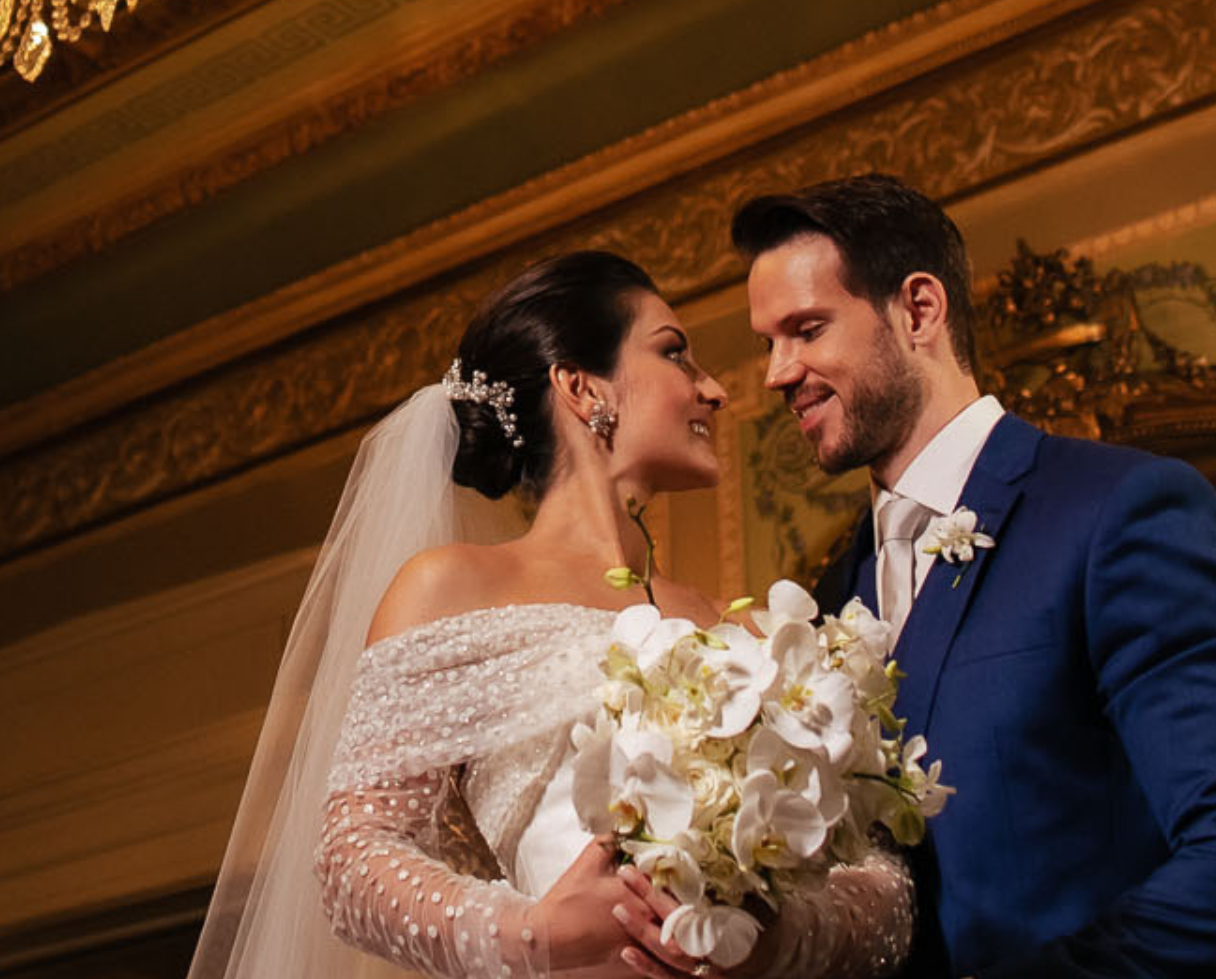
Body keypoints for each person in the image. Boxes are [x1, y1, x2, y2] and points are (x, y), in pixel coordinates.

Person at [190, 250, 915, 979]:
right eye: (674, 354)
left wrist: (780, 939)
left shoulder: (757, 633)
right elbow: (352, 853)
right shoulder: (452, 587)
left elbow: (886, 887)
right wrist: (531, 931)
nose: (718, 389)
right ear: (579, 386)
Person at [734, 175, 1216, 979]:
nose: (776, 372)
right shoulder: (834, 595)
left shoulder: (1119, 509)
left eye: (805, 329)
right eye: (767, 341)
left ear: (919, 310)